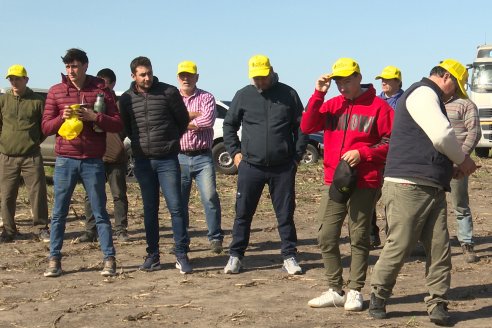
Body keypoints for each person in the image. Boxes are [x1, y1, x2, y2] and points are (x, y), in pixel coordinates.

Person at [369, 59, 478, 326]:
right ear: (446, 77)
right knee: (401, 244)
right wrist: (462, 160)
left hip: (429, 184)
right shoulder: (423, 93)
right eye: (456, 86)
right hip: (408, 184)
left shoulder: (428, 97)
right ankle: (378, 296)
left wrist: (446, 168)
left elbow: (430, 143)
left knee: (439, 248)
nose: (454, 93)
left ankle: (437, 302)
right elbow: (441, 136)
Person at [301, 58, 394, 311]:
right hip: (335, 179)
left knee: (359, 235)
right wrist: (318, 94)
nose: (342, 85)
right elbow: (307, 126)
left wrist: (363, 153)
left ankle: (355, 290)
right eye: (338, 80)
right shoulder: (331, 105)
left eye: (347, 80)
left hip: (365, 180)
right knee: (326, 235)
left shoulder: (379, 107)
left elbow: (391, 142)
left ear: (358, 77)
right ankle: (335, 288)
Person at [222, 54, 308, 275]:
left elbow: (301, 128)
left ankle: (289, 256)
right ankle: (236, 255)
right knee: (243, 212)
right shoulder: (243, 95)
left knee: (285, 213)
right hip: (251, 166)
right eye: (256, 78)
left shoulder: (288, 94)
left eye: (263, 77)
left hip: (282, 167)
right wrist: (235, 153)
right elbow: (229, 125)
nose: (260, 82)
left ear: (271, 71)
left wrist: (296, 156)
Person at [41, 48, 123, 278]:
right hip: (65, 159)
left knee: (99, 211)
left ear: (86, 66)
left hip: (92, 160)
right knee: (59, 212)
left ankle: (109, 259)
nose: (71, 71)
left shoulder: (100, 91)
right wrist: (61, 118)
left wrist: (94, 117)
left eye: (75, 66)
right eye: (68, 67)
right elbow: (46, 127)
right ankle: (54, 259)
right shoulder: (56, 91)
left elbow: (117, 124)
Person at [119, 56, 192, 274]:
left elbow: (182, 122)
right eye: (142, 74)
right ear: (133, 76)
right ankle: (153, 255)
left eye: (149, 73)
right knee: (149, 209)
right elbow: (127, 128)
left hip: (167, 159)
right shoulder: (126, 99)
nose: (147, 78)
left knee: (176, 207)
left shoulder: (168, 92)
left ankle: (181, 253)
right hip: (143, 161)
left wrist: (170, 142)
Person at [176, 60, 224, 254]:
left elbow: (207, 121)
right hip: (179, 157)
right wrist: (190, 116)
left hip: (203, 157)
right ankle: (182, 240)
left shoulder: (207, 97)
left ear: (197, 77)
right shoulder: (172, 98)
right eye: (182, 75)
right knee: (179, 202)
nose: (186, 78)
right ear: (178, 77)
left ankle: (215, 238)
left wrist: (180, 119)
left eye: (189, 75)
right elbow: (166, 121)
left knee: (210, 197)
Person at [79, 68, 129, 243]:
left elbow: (126, 126)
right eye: (98, 82)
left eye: (104, 83)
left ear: (112, 84)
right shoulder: (92, 100)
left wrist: (119, 140)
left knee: (118, 194)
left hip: (115, 155)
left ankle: (120, 230)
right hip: (95, 155)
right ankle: (90, 230)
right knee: (91, 194)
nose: (100, 86)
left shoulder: (120, 103)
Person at [0, 65, 49, 243]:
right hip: (7, 156)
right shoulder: (3, 100)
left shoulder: (37, 101)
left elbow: (44, 128)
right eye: (11, 79)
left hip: (31, 155)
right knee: (6, 195)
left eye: (18, 78)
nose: (14, 82)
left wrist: (34, 142)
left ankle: (41, 228)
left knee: (38, 193)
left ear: (26, 79)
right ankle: (8, 230)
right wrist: (4, 142)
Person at [370, 65, 404, 248]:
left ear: (398, 81)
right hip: (377, 155)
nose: (383, 82)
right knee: (370, 196)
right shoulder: (375, 102)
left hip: (397, 156)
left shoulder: (406, 101)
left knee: (394, 199)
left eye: (388, 79)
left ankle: (393, 236)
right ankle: (371, 234)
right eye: (382, 79)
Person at [445, 96, 481, 263]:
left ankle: (466, 243)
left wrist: (461, 158)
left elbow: (474, 132)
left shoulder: (465, 104)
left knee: (460, 204)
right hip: (432, 164)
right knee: (431, 206)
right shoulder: (432, 101)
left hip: (455, 165)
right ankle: (432, 244)